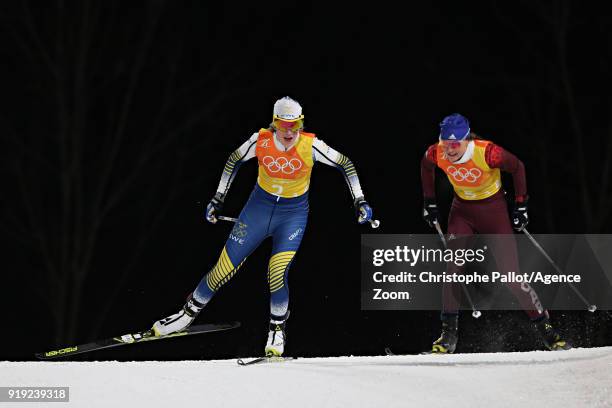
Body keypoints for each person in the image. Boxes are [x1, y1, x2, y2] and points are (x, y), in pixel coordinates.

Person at [152, 96, 375, 356]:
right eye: (283, 124)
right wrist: (218, 198)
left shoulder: (310, 145)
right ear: (274, 123)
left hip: (291, 217)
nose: (289, 131)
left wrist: (360, 200)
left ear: (301, 123)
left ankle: (276, 330)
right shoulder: (260, 141)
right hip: (257, 211)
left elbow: (345, 164)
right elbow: (233, 160)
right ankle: (185, 316)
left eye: (295, 124)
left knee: (276, 271)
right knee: (224, 267)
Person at [420, 113, 570, 353]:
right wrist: (430, 203)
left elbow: (517, 167)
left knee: (511, 276)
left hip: (494, 212)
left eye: (455, 144)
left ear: (466, 140)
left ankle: (548, 331)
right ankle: (447, 337)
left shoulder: (488, 152)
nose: (449, 150)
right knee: (453, 270)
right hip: (462, 213)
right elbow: (426, 166)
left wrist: (521, 205)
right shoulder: (435, 152)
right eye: (445, 143)